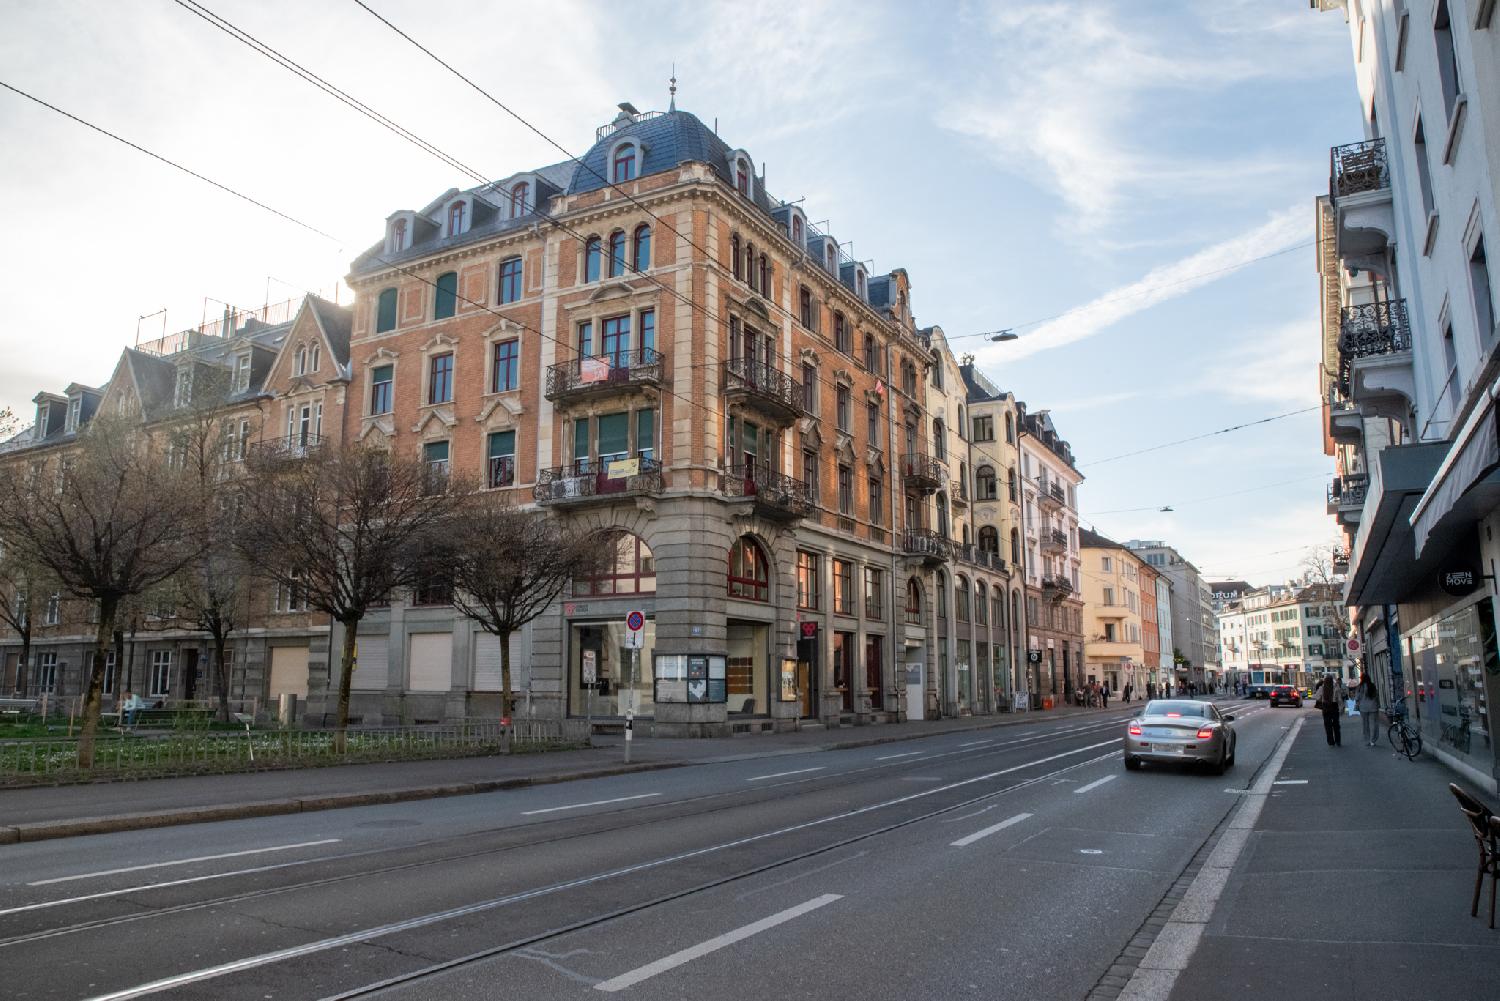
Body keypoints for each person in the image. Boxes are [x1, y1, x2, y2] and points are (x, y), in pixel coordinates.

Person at [1353, 671, 1381, 746]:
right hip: (1373, 707)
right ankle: (1373, 740)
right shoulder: (1372, 686)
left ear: (1362, 679)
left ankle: (1367, 740)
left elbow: (1357, 698)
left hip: (1363, 708)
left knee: (1365, 724)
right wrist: (1378, 705)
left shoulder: (1359, 687)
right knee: (1374, 724)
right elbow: (1376, 696)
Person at [1315, 674, 1342, 747]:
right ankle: (1338, 741)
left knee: (1328, 725)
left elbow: (1316, 697)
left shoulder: (1322, 688)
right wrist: (1341, 708)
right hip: (1334, 706)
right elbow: (1339, 699)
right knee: (1336, 725)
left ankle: (1331, 742)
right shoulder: (1336, 687)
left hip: (1326, 707)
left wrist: (1322, 699)